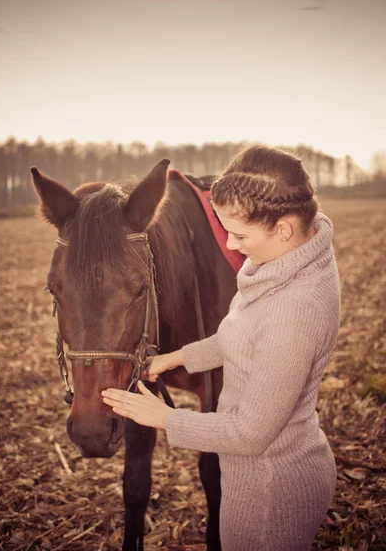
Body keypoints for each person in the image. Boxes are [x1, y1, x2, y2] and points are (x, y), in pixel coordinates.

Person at [102, 143, 341, 551]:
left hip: (270, 494)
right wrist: (176, 358)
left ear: (281, 228)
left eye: (239, 234)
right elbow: (243, 334)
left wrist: (163, 418)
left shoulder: (296, 309)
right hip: (258, 476)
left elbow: (249, 435)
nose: (230, 246)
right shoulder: (292, 258)